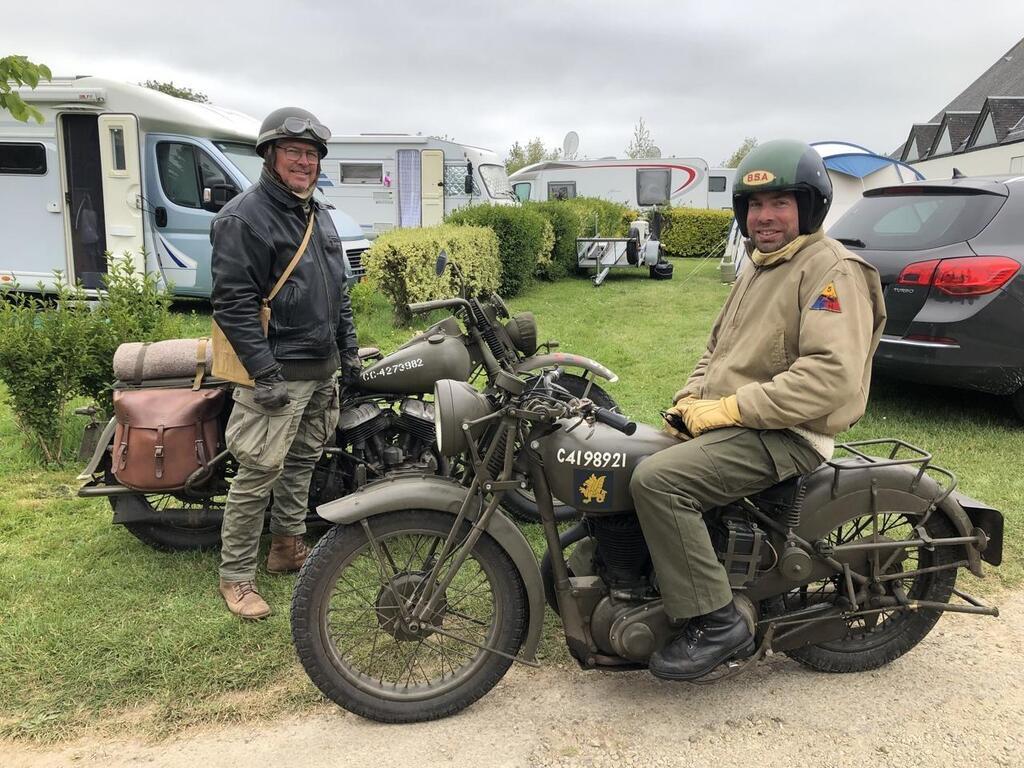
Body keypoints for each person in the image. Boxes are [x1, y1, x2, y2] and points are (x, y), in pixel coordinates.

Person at [630, 139, 886, 680]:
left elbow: (828, 377)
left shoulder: (830, 270)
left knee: (660, 483)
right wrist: (690, 399)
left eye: (779, 203)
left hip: (790, 432)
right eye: (754, 205)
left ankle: (716, 620)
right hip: (746, 420)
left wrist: (728, 409)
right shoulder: (760, 265)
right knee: (628, 456)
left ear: (809, 207)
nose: (764, 216)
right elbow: (716, 350)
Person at [210, 107, 362, 619]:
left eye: (312, 154)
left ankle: (286, 547)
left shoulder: (317, 214)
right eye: (294, 152)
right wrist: (265, 373)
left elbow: (339, 293)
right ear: (270, 156)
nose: (304, 162)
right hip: (276, 373)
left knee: (301, 464)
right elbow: (232, 304)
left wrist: (350, 353)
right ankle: (235, 577)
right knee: (257, 473)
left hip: (321, 369)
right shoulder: (244, 217)